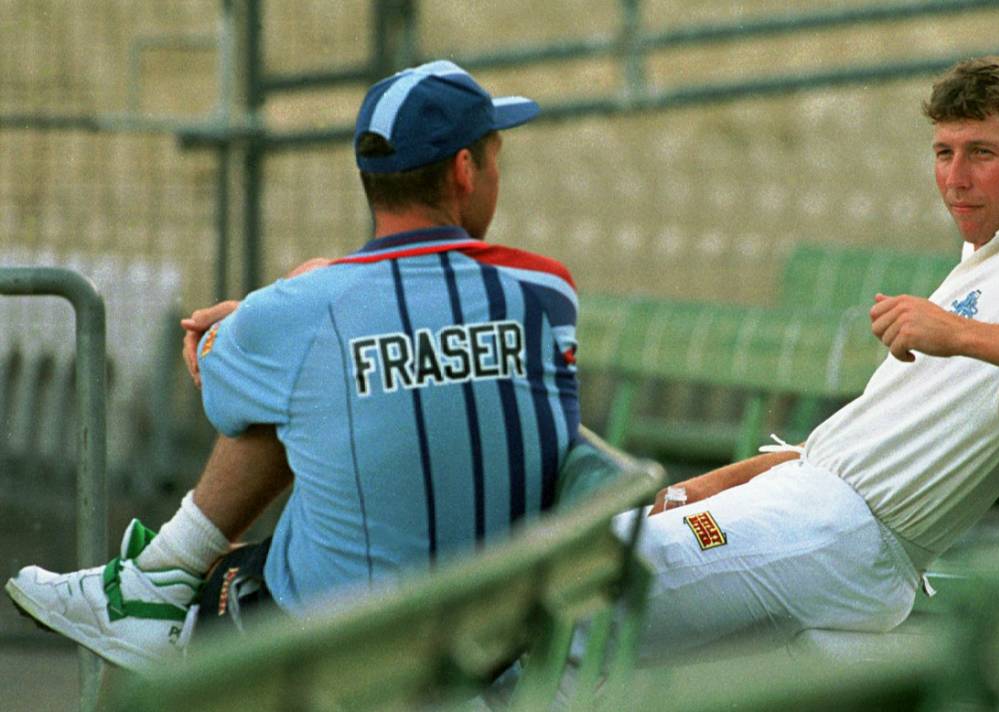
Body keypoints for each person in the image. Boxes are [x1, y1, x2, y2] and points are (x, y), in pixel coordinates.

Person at [5, 60, 582, 671]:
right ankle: (153, 584)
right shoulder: (544, 290)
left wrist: (273, 305)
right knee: (302, 379)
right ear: (465, 170)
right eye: (496, 158)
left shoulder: (308, 310)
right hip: (508, 637)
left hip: (339, 647)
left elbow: (219, 382)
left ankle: (154, 582)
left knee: (283, 398)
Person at [622, 55, 999, 661]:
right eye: (943, 153)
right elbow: (851, 447)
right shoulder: (989, 256)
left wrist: (957, 333)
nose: (956, 178)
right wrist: (707, 485)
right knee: (575, 621)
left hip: (844, 537)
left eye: (981, 153)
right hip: (809, 513)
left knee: (578, 594)